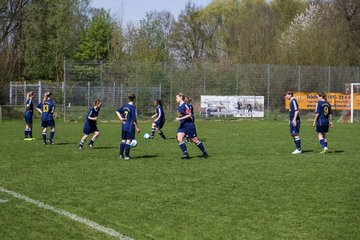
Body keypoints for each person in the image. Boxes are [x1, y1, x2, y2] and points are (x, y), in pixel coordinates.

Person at [175, 93, 208, 159]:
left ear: (181, 97)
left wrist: (180, 118)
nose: (176, 99)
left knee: (195, 140)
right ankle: (186, 154)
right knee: (179, 138)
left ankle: (204, 153)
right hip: (182, 125)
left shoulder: (185, 105)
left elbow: (189, 114)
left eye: (177, 97)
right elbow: (180, 115)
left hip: (188, 125)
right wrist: (179, 119)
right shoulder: (179, 106)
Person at [116, 93, 140, 160]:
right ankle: (126, 156)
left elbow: (117, 111)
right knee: (128, 141)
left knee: (123, 140)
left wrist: (120, 118)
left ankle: (121, 155)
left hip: (124, 125)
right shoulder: (133, 108)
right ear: (134, 99)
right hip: (130, 126)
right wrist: (137, 127)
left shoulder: (125, 106)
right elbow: (134, 119)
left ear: (129, 99)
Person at [285, 90, 302, 154]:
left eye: (286, 95)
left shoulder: (294, 101)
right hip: (292, 120)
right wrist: (290, 119)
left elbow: (296, 111)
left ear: (290, 95)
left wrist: (294, 119)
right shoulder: (291, 101)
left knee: (295, 134)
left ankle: (299, 149)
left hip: (295, 120)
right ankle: (297, 148)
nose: (286, 96)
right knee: (292, 134)